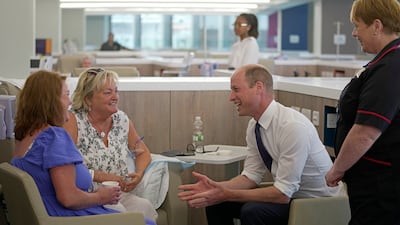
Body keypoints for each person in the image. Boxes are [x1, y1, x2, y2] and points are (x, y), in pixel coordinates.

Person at [178, 64, 344, 225]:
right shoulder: (255, 126)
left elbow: (283, 194)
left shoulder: (292, 127)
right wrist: (215, 188)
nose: (231, 97)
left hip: (316, 203)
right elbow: (251, 176)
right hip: (292, 197)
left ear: (258, 87)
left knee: (253, 211)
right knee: (216, 203)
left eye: (236, 89)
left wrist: (226, 193)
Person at [10, 70, 156, 225]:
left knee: (141, 210)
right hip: (67, 216)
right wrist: (101, 197)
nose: (70, 102)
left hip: (52, 214)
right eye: (66, 95)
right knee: (145, 222)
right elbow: (68, 198)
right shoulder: (55, 137)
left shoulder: (23, 137)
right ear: (51, 101)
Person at [325, 1, 400, 224]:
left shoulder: (391, 68)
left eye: (358, 26)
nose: (354, 33)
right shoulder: (384, 63)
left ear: (377, 26)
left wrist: (337, 169)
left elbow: (366, 132)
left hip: (382, 188)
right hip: (371, 183)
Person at [63, 67, 158, 221]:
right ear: (88, 99)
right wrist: (103, 176)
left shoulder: (121, 119)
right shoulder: (73, 121)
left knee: (144, 207)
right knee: (117, 211)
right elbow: (66, 167)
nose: (115, 97)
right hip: (88, 194)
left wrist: (138, 175)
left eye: (116, 91)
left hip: (117, 193)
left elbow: (142, 152)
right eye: (108, 93)